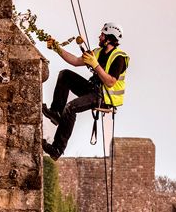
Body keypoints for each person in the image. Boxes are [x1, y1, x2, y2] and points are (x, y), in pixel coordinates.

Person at [42, 22, 129, 159]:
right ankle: (56, 112)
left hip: (104, 97)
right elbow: (76, 61)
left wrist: (96, 65)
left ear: (109, 38)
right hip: (93, 88)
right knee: (65, 75)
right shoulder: (98, 52)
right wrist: (56, 48)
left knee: (71, 108)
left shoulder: (119, 58)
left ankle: (57, 149)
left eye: (102, 35)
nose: (99, 37)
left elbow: (111, 82)